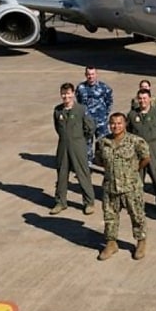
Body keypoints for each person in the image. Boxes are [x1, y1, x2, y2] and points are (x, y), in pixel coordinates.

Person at [95, 113, 151, 261]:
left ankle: (141, 242)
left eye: (119, 123)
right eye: (113, 123)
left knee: (137, 215)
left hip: (131, 186)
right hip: (110, 186)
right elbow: (99, 160)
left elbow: (146, 158)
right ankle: (111, 243)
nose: (116, 126)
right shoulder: (103, 142)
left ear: (125, 124)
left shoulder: (135, 141)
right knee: (110, 217)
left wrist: (133, 171)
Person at [51, 82, 95, 215]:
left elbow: (90, 127)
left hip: (78, 144)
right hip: (63, 145)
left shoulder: (81, 109)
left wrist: (81, 140)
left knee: (82, 173)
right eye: (63, 94)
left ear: (73, 94)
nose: (66, 96)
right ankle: (60, 202)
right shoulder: (58, 110)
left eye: (68, 93)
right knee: (62, 174)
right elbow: (57, 128)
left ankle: (89, 202)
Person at [127, 89, 156, 213]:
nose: (142, 101)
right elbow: (128, 131)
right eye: (140, 98)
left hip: (154, 148)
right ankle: (138, 203)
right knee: (137, 178)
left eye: (145, 98)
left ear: (150, 99)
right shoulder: (132, 115)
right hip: (138, 150)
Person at [76, 66, 113, 164]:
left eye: (92, 74)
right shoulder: (81, 88)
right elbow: (79, 103)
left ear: (96, 75)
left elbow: (109, 101)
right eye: (88, 74)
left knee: (104, 143)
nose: (90, 77)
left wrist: (105, 114)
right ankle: (88, 164)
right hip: (87, 122)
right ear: (85, 75)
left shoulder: (104, 87)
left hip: (101, 121)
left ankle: (104, 163)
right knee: (87, 143)